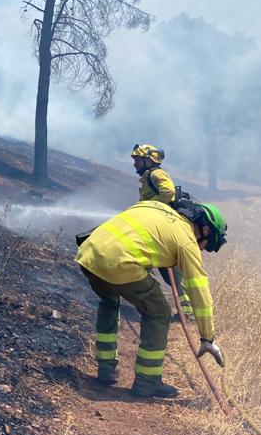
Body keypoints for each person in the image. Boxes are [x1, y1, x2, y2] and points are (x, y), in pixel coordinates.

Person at [76, 199, 227, 398]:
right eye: (206, 245)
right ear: (205, 230)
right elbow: (198, 290)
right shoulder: (187, 241)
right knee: (159, 312)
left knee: (109, 301)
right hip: (118, 263)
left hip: (89, 254)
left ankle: (106, 369)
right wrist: (207, 337)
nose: (202, 250)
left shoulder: (155, 207)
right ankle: (147, 383)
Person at [131, 143, 192, 317]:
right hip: (156, 230)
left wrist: (148, 207)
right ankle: (184, 311)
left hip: (162, 232)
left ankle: (186, 312)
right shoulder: (148, 177)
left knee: (172, 273)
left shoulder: (156, 174)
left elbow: (168, 192)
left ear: (147, 160)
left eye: (137, 160)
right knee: (168, 273)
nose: (134, 164)